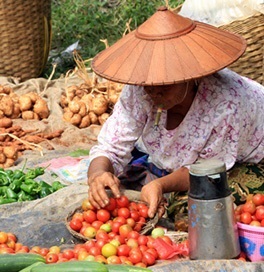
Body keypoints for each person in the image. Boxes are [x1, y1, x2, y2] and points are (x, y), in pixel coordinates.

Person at [87, 6, 264, 218]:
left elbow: (205, 170)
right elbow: (111, 146)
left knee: (196, 211)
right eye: (149, 85)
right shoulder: (141, 89)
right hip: (193, 161)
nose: (154, 92)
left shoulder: (226, 104)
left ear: (189, 77)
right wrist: (99, 174)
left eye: (165, 84)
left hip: (246, 159)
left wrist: (161, 185)